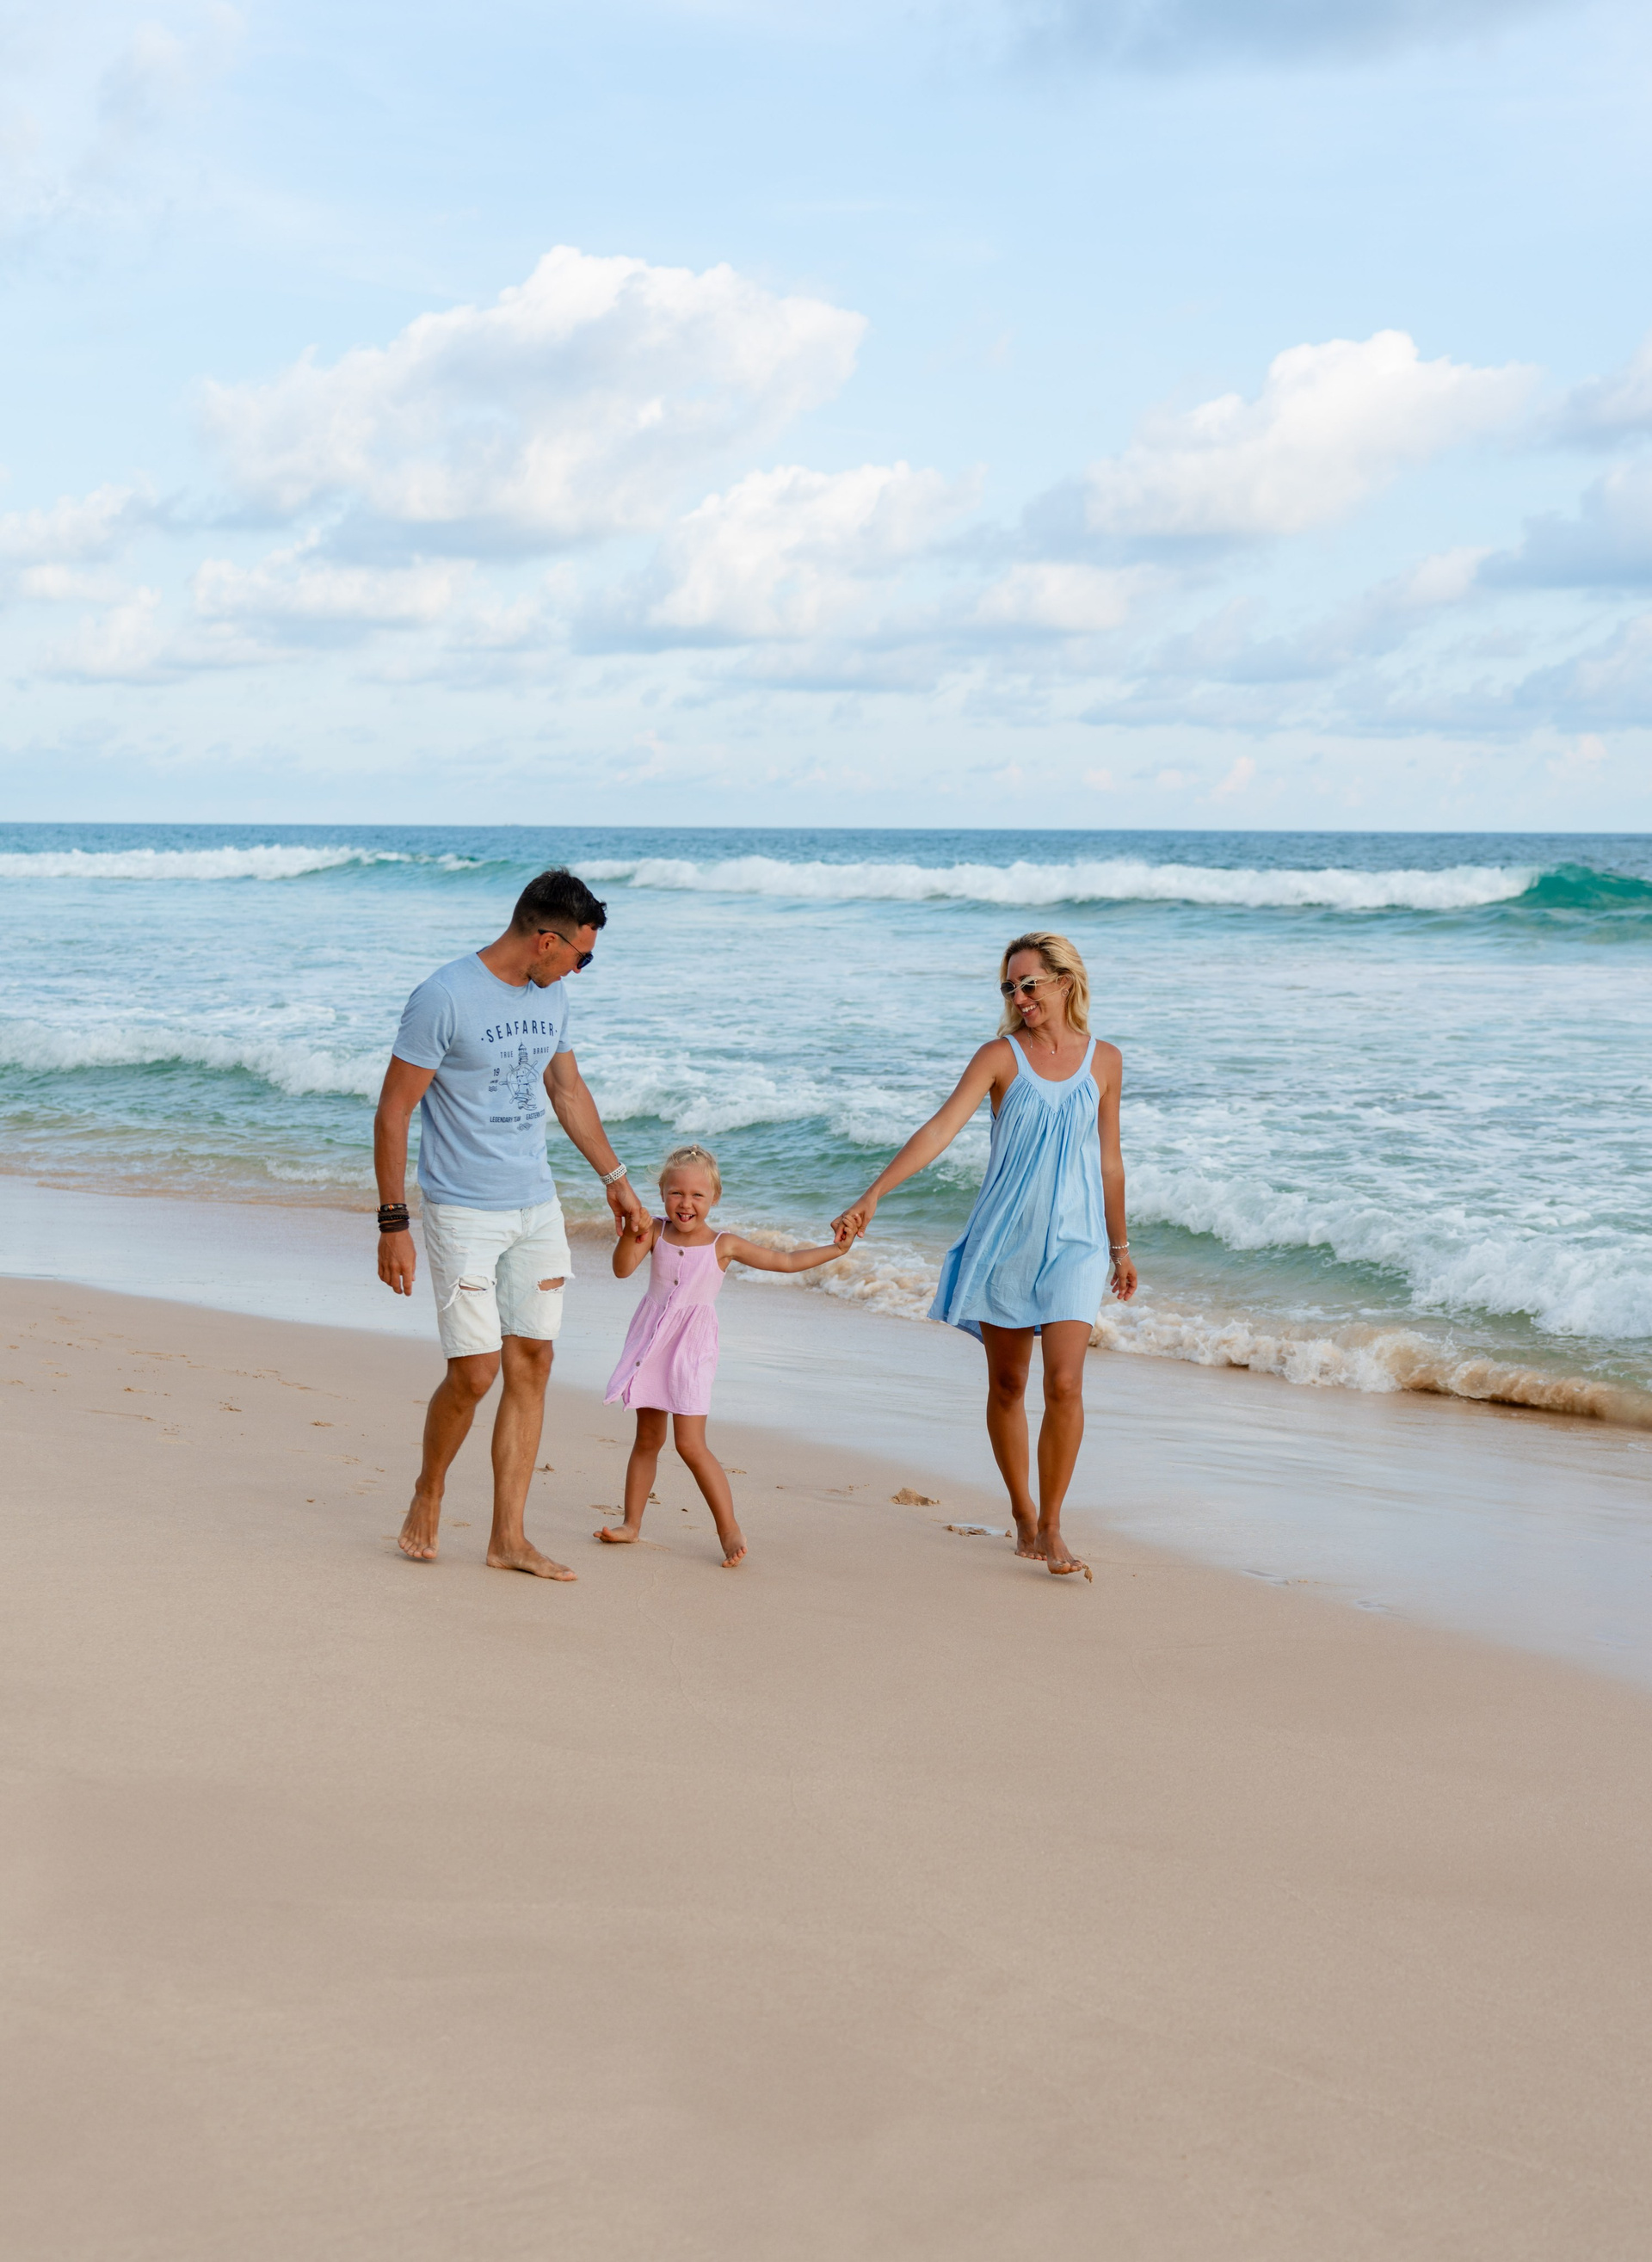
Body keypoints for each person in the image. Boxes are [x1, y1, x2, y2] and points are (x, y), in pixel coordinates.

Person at [834, 932, 1137, 1580]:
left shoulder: (1106, 1060)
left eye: (1029, 983)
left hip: (1079, 1241)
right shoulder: (999, 1056)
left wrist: (1120, 1246)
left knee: (1065, 1383)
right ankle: (1022, 1512)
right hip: (1007, 1237)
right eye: (1009, 987)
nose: (1019, 997)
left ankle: (1052, 1523)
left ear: (1064, 981)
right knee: (1009, 1384)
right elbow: (940, 1129)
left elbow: (1110, 1162)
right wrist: (873, 1194)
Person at [375, 867, 647, 1579]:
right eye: (582, 957)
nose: (581, 971)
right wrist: (393, 1222)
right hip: (461, 1208)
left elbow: (565, 1088)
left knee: (533, 1361)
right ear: (547, 939)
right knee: (474, 1372)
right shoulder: (443, 997)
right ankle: (430, 1486)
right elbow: (395, 1109)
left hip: (535, 1204)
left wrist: (617, 1181)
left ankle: (508, 1538)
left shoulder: (551, 995)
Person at [595, 1143, 849, 1568]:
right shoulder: (654, 1232)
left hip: (691, 1352)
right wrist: (631, 1231)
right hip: (652, 1345)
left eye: (697, 1195)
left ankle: (728, 1528)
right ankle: (631, 1524)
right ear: (662, 1194)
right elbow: (622, 1269)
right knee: (648, 1439)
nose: (686, 1203)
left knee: (690, 1444)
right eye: (677, 1193)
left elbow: (784, 1261)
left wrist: (835, 1250)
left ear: (714, 1198)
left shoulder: (722, 1244)